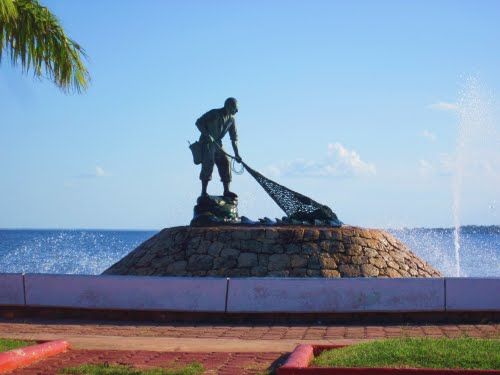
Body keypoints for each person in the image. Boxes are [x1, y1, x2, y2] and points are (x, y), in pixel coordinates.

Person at [196, 97, 242, 198]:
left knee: (226, 162)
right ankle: (204, 192)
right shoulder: (214, 113)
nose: (237, 111)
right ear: (228, 106)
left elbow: (234, 139)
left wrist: (237, 154)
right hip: (206, 142)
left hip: (218, 144)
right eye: (235, 108)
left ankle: (226, 190)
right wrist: (207, 134)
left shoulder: (231, 119)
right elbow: (198, 122)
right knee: (208, 164)